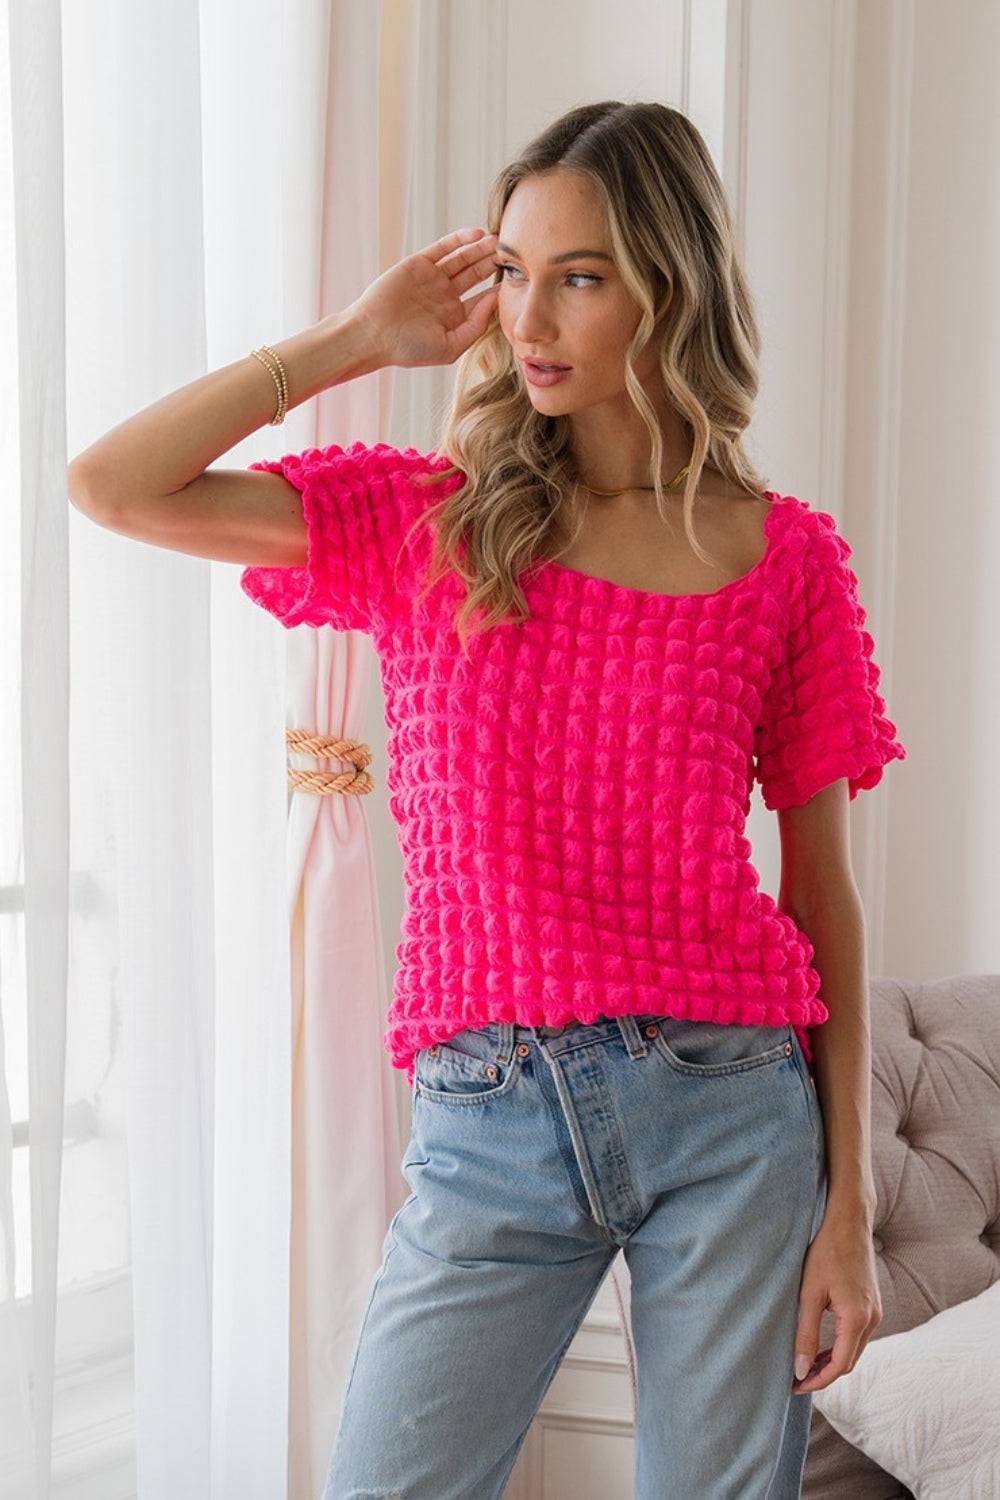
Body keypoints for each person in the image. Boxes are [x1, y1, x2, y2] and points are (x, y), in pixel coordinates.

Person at [69, 100, 905, 1500]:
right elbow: (110, 483)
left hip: (732, 1103)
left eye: (579, 275)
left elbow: (823, 893)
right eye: (515, 270)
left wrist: (852, 1209)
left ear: (669, 283)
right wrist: (349, 339)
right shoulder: (425, 523)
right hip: (487, 1116)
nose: (533, 316)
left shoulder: (783, 561)